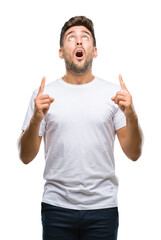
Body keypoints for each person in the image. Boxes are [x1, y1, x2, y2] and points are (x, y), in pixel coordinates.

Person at [18, 16, 143, 240]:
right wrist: (36, 118)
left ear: (94, 51)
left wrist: (131, 115)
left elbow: (134, 153)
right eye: (71, 38)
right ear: (60, 52)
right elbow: (25, 157)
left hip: (102, 209)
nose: (78, 42)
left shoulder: (113, 94)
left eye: (85, 38)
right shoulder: (42, 97)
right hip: (56, 207)